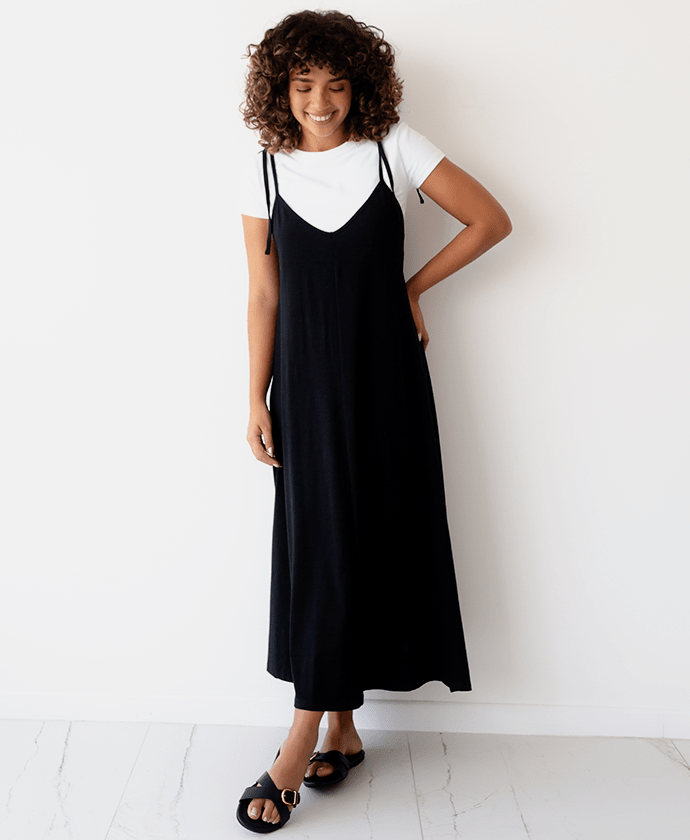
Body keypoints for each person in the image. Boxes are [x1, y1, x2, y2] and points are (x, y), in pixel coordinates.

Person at [236, 9, 512, 833]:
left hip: (387, 377)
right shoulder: (262, 167)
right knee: (320, 544)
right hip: (306, 388)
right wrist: (254, 396)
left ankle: (321, 733)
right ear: (281, 89)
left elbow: (491, 220)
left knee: (369, 536)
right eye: (303, 83)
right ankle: (327, 730)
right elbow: (263, 295)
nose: (320, 100)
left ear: (362, 86)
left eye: (336, 82)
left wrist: (410, 288)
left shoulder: (395, 148)